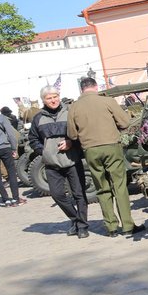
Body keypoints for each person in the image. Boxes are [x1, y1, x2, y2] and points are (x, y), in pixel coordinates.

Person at [67, 77, 144, 237]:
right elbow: (125, 122)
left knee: (102, 188)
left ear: (82, 89)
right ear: (95, 87)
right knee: (120, 186)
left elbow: (72, 134)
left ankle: (111, 228)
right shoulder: (107, 101)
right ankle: (128, 226)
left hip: (90, 150)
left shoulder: (73, 107)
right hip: (111, 146)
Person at [28, 87, 89, 237]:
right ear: (43, 100)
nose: (53, 100)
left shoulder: (70, 112)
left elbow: (82, 132)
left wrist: (71, 143)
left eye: (55, 96)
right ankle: (75, 219)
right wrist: (44, 151)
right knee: (57, 195)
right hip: (51, 163)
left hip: (72, 160)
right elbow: (33, 138)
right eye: (49, 98)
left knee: (79, 194)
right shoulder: (38, 118)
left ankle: (82, 226)